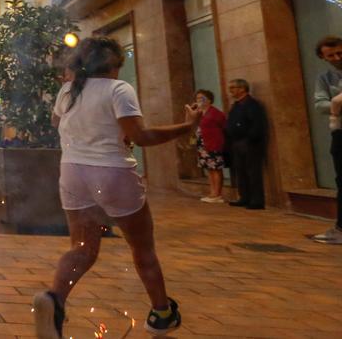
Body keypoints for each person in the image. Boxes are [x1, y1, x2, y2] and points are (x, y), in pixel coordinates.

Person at [32, 36, 201, 339]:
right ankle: (162, 314)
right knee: (142, 249)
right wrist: (187, 126)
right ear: (112, 65)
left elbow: (58, 123)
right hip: (112, 173)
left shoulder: (68, 90)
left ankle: (54, 299)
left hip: (72, 173)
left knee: (82, 248)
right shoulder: (118, 90)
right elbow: (143, 136)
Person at [308, 36, 342, 243]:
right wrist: (336, 104)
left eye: (340, 53)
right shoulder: (325, 78)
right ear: (323, 57)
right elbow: (320, 105)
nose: (337, 58)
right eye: (331, 55)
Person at [225, 78, 267, 210]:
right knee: (241, 171)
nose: (230, 91)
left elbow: (257, 124)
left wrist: (249, 138)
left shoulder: (252, 104)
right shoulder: (236, 105)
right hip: (237, 142)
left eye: (233, 88)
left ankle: (256, 200)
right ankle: (244, 197)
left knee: (252, 171)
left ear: (242, 89)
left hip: (249, 143)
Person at [192, 89, 227, 203]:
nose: (199, 100)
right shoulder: (199, 112)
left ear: (209, 100)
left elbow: (223, 126)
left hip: (213, 143)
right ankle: (212, 192)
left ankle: (217, 194)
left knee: (216, 169)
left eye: (202, 98)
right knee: (209, 169)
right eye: (198, 98)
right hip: (203, 144)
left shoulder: (215, 113)